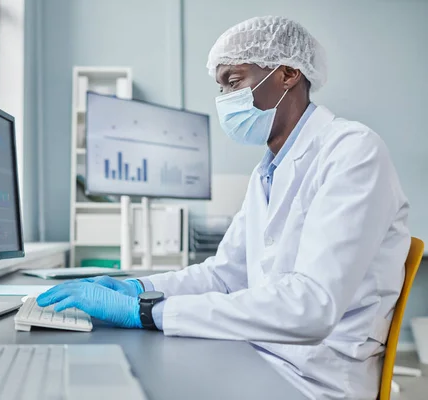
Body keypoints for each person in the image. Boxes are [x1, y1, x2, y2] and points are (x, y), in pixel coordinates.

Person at [38, 16, 410, 399]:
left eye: (234, 81)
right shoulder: (268, 169)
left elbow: (311, 306)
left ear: (288, 73)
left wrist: (148, 313)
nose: (225, 100)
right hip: (259, 355)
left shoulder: (352, 152)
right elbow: (223, 275)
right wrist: (138, 288)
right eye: (221, 87)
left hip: (314, 380)